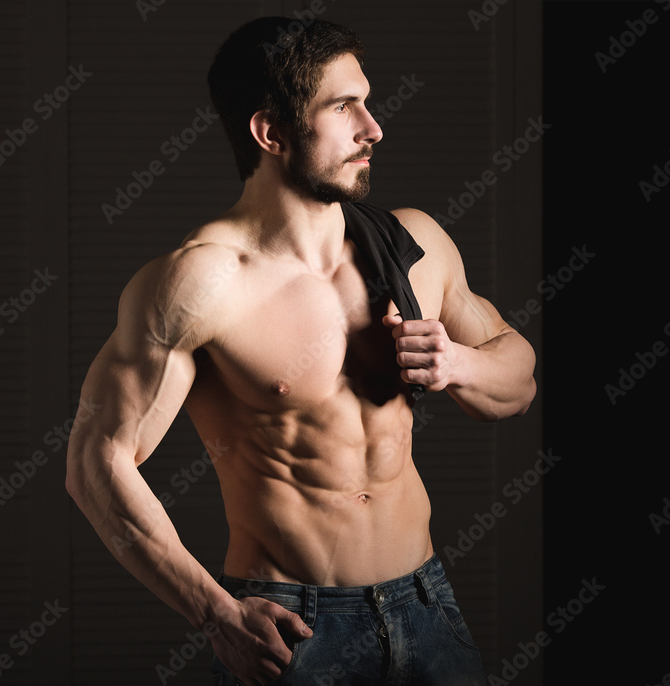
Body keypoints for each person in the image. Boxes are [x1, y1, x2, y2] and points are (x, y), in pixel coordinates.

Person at [65, 16, 536, 686]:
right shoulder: (201, 283)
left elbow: (519, 382)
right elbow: (95, 464)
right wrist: (214, 614)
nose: (374, 128)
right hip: (297, 631)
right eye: (344, 108)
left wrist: (459, 364)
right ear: (270, 131)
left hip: (426, 606)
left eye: (366, 103)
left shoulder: (412, 245)